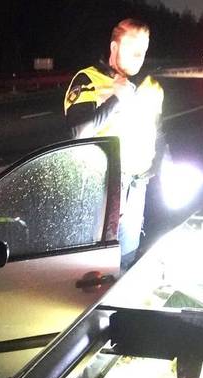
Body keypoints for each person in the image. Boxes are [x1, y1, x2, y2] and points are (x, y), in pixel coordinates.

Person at [63, 18, 164, 272]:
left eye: (143, 49)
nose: (139, 56)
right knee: (92, 269)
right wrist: (116, 99)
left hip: (136, 190)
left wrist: (161, 166)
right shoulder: (88, 79)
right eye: (133, 48)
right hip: (98, 191)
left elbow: (158, 133)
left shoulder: (149, 87)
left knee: (126, 263)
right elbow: (79, 130)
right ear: (114, 47)